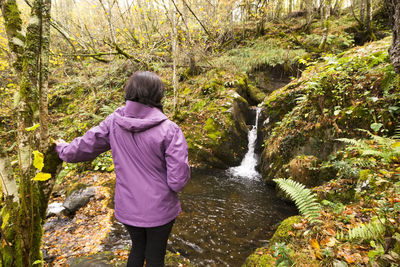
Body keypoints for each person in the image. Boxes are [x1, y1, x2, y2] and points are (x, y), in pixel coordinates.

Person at [55, 71, 191, 267]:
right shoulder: (170, 130)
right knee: (155, 256)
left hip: (128, 208)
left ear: (129, 91)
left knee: (137, 249)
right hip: (161, 210)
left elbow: (83, 148)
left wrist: (62, 148)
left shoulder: (113, 121)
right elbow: (177, 181)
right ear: (158, 95)